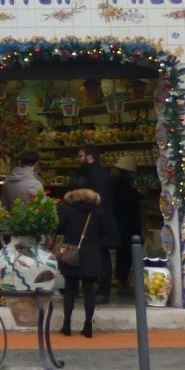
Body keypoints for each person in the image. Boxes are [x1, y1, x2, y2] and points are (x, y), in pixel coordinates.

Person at [57, 186, 115, 338]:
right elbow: (105, 232)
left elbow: (60, 227)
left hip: (71, 252)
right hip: (91, 253)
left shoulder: (67, 208)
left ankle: (67, 324)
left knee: (70, 290)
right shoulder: (97, 210)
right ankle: (88, 325)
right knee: (89, 290)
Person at [74, 145, 119, 303]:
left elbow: (97, 198)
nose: (79, 159)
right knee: (100, 254)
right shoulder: (97, 172)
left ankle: (102, 290)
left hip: (97, 221)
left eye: (81, 156)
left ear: (89, 156)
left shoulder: (94, 173)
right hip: (98, 220)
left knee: (101, 255)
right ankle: (99, 289)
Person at [110, 157, 145, 292]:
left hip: (116, 223)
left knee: (120, 253)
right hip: (127, 224)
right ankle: (122, 282)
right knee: (125, 254)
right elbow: (133, 201)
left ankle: (118, 281)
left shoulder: (110, 184)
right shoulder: (123, 186)